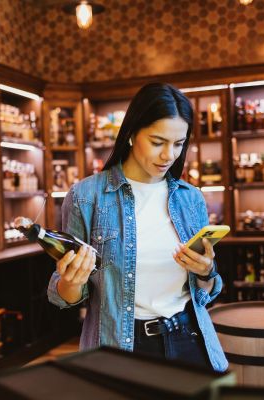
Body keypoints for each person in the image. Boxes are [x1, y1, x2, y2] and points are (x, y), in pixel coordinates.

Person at [47, 82, 228, 372]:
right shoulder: (86, 197)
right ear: (131, 133)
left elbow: (205, 292)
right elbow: (62, 295)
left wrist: (206, 271)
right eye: (158, 142)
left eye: (178, 144)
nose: (169, 155)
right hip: (120, 349)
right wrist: (72, 280)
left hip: (189, 342)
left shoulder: (190, 198)